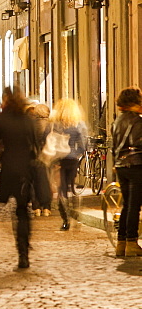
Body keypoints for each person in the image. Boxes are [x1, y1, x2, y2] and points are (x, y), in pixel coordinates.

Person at [0, 86, 39, 271]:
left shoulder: (0, 119)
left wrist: (0, 156)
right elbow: (37, 144)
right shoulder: (28, 120)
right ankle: (24, 250)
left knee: (15, 212)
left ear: (5, 99)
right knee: (23, 210)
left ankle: (21, 249)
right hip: (27, 170)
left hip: (9, 169)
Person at [111, 87, 142, 258]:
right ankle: (131, 241)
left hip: (121, 165)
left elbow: (115, 145)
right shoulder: (137, 120)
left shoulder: (118, 120)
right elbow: (137, 142)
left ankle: (121, 242)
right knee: (134, 205)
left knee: (127, 204)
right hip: (135, 164)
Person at [48, 98, 88, 231]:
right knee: (71, 185)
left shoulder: (55, 124)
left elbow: (46, 139)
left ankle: (65, 220)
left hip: (58, 159)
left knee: (62, 189)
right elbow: (84, 145)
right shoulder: (79, 124)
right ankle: (74, 211)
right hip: (72, 159)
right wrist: (75, 153)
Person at [26, 102, 52, 217]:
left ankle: (36, 207)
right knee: (47, 181)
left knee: (34, 182)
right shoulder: (51, 125)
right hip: (48, 156)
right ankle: (46, 207)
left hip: (33, 156)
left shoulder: (30, 125)